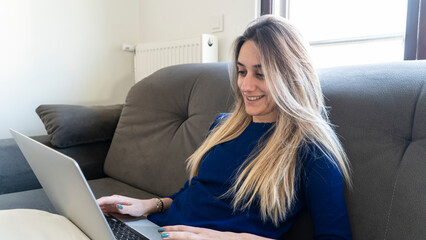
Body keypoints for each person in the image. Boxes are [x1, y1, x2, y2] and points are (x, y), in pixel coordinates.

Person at [97, 15, 352, 240]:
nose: (246, 86)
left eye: (260, 74)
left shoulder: (312, 150)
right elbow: (195, 191)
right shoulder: (223, 125)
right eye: (242, 72)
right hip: (158, 229)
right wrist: (148, 206)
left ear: (291, 76)